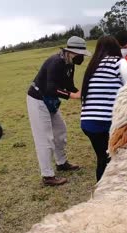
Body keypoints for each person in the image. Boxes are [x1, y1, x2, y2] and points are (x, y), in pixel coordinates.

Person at [27, 36, 91, 186]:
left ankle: (61, 162)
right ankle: (47, 176)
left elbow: (69, 85)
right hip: (37, 100)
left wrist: (82, 93)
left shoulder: (69, 64)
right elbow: (51, 87)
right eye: (79, 55)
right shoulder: (56, 62)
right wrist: (72, 95)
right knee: (45, 138)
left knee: (60, 131)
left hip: (51, 101)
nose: (81, 58)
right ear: (70, 52)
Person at [80, 36, 127, 181]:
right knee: (116, 159)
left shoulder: (92, 66)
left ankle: (101, 190)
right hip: (107, 123)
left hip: (87, 123)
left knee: (102, 159)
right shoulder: (119, 62)